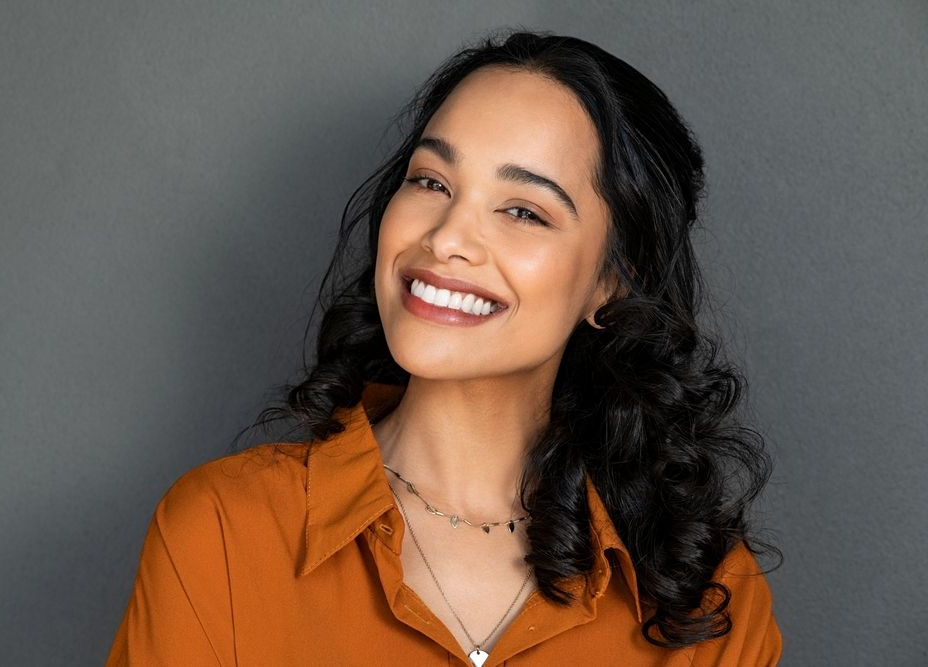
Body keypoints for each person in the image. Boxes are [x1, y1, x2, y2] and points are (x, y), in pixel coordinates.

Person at [106, 29, 781, 666]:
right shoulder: (221, 533)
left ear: (612, 279)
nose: (447, 236)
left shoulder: (712, 594)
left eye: (523, 210)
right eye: (431, 181)